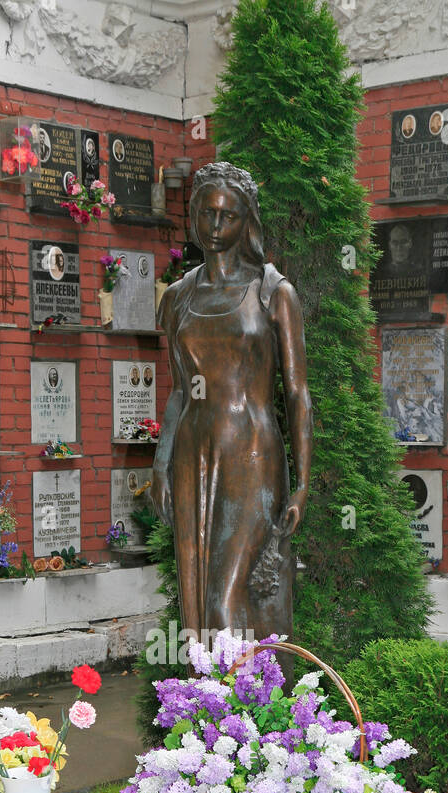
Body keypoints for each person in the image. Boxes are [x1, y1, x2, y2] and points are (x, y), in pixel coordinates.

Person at [151, 161, 311, 647]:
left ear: (248, 221)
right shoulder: (178, 297)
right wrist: (160, 466)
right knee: (194, 612)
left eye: (229, 216)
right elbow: (181, 391)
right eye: (206, 214)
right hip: (192, 456)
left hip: (252, 455)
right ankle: (205, 718)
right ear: (193, 215)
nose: (216, 228)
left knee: (224, 602)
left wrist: (302, 484)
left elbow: (298, 393)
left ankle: (254, 716)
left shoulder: (273, 292)